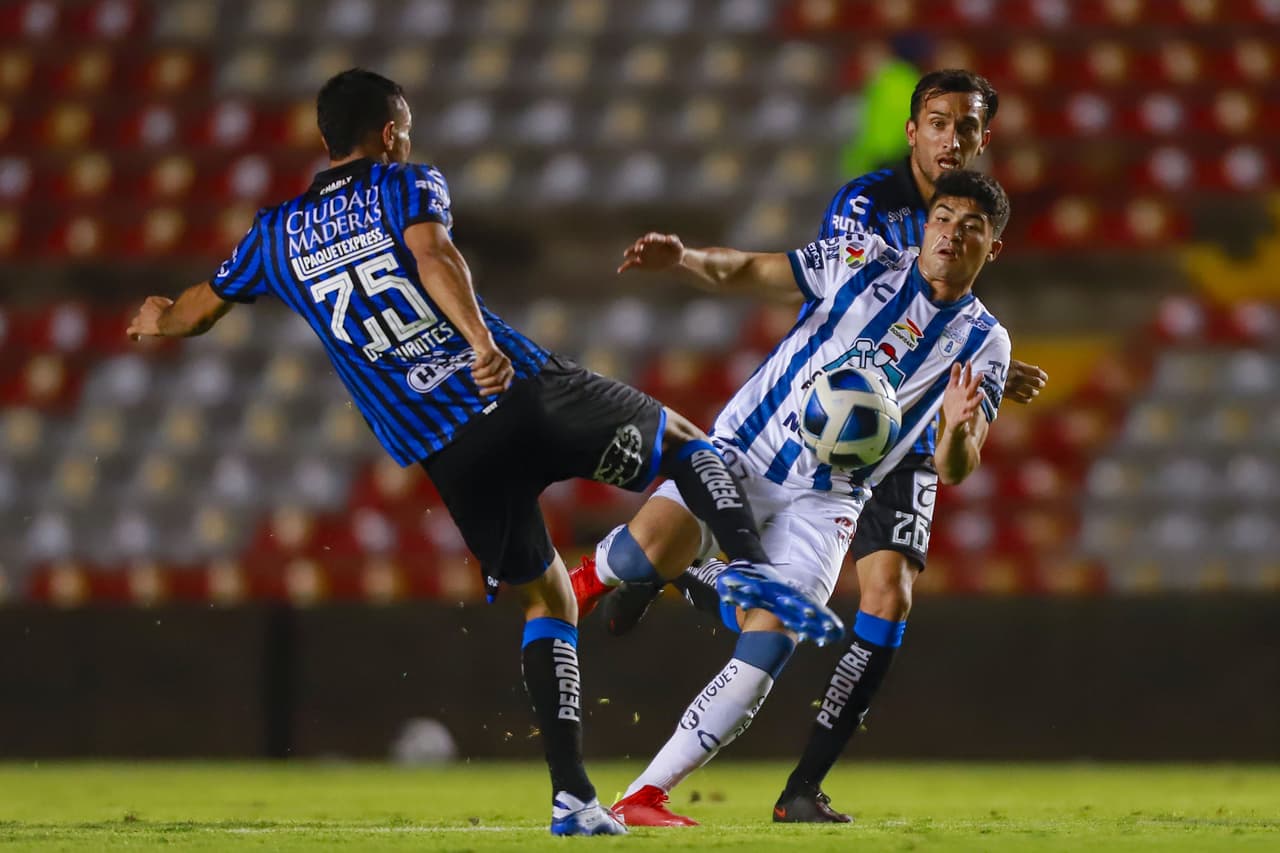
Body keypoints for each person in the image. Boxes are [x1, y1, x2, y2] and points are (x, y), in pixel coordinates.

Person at [124, 68, 843, 837]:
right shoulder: (404, 184)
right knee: (694, 450)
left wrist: (158, 319)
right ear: (392, 131)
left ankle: (574, 798)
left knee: (548, 602)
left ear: (323, 140)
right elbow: (435, 258)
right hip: (523, 394)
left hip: (448, 450)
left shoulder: (276, 234)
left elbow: (198, 311)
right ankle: (746, 567)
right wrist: (477, 344)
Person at [578, 70, 1046, 825]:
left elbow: (961, 465)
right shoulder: (863, 248)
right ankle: (580, 586)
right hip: (753, 446)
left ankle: (645, 793)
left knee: (780, 634)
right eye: (945, 220)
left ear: (992, 249)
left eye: (973, 229)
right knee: (637, 554)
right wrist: (687, 259)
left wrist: (960, 424)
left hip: (834, 497)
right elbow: (756, 270)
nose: (953, 234)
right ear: (926, 217)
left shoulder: (986, 343)